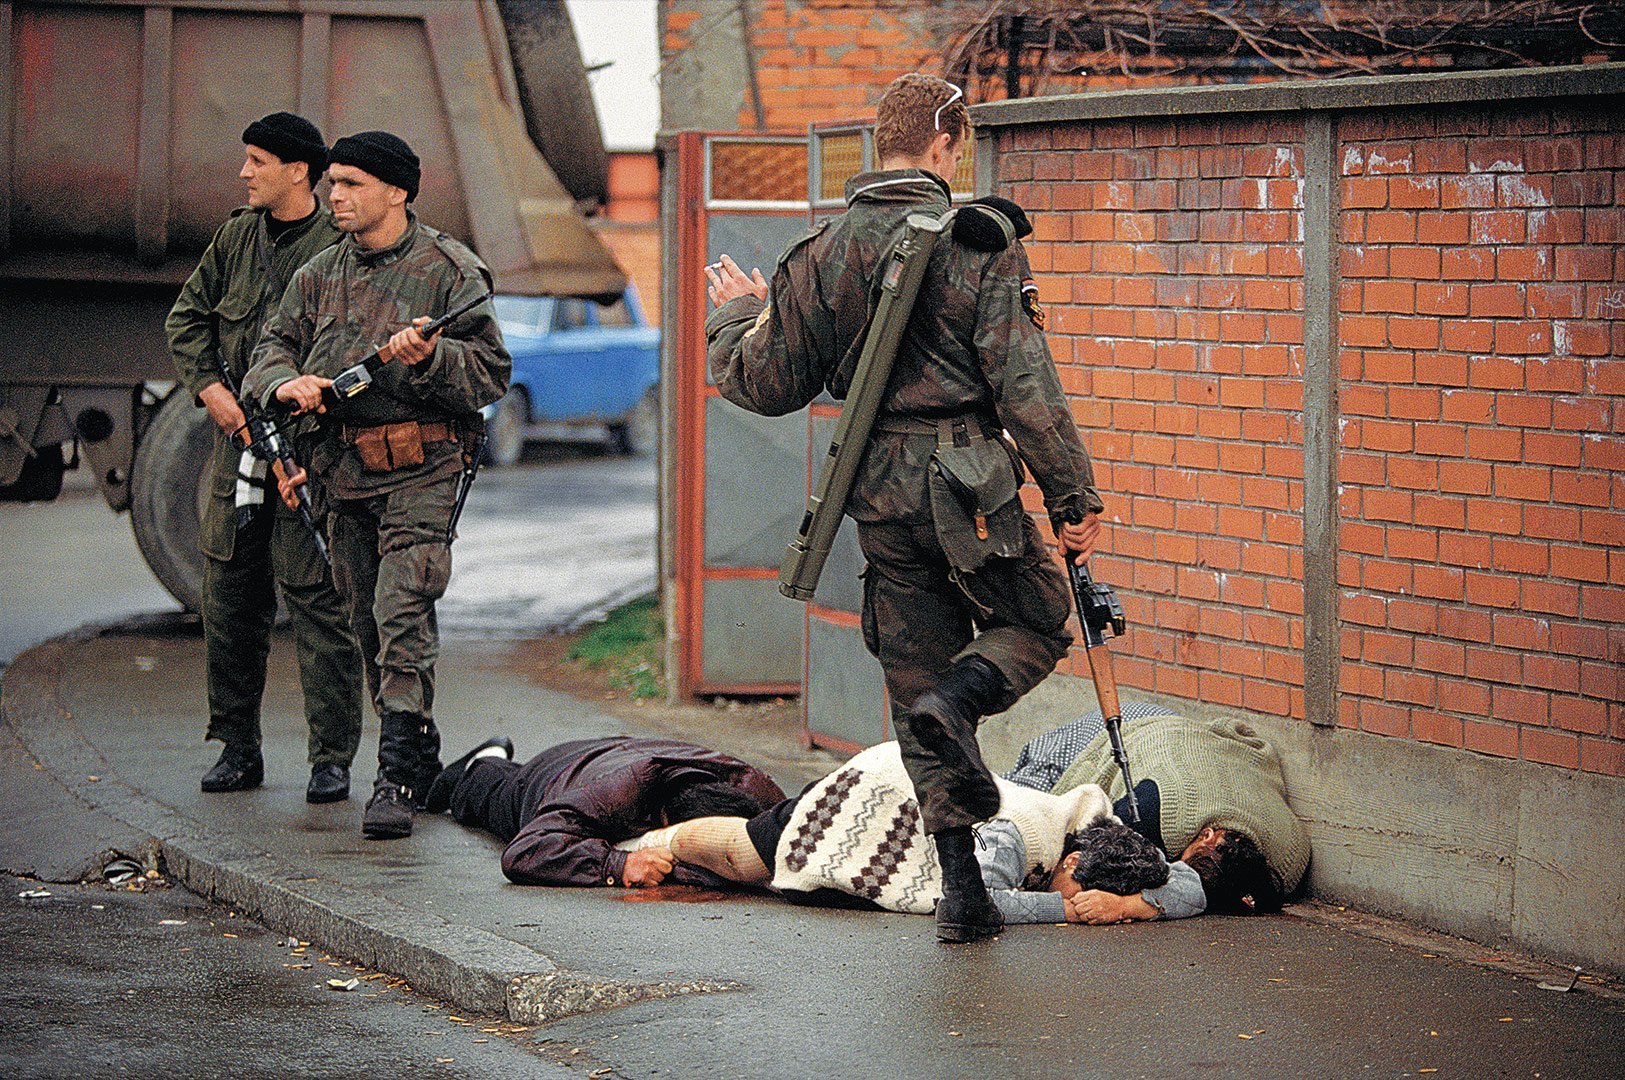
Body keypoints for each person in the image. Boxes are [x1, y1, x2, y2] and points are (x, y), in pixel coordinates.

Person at [704, 73, 1105, 943]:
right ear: (944, 143)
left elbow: (763, 385)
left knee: (914, 675)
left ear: (877, 143)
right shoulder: (977, 241)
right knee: (1037, 621)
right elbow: (1025, 385)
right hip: (970, 482)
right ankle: (960, 703)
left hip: (876, 486)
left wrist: (736, 315)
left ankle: (962, 894)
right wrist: (1072, 495)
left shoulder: (818, 253)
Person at [242, 131, 511, 840]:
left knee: (400, 609)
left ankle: (393, 777)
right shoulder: (318, 274)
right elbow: (269, 350)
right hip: (342, 471)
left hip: (425, 466)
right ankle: (420, 751)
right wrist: (285, 382)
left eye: (351, 183)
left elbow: (490, 374)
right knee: (363, 617)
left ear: (396, 191)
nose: (334, 195)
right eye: (332, 182)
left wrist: (429, 360)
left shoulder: (451, 272)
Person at [163, 112, 364, 804]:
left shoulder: (339, 247)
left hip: (308, 460)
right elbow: (187, 319)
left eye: (257, 160)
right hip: (240, 453)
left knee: (319, 605)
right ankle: (236, 747)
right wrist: (211, 390)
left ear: (297, 171)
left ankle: (331, 759)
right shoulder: (236, 238)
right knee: (229, 603)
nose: (244, 172)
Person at [637, 740, 1205, 928]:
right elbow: (975, 900)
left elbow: (1191, 884)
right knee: (743, 854)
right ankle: (643, 842)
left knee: (751, 859)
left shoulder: (1110, 838)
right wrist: (1068, 912)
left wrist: (1130, 904)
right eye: (1081, 892)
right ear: (1073, 866)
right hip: (876, 796)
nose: (1085, 903)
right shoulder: (1016, 838)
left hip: (925, 790)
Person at [1004, 704, 1305, 913]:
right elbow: (1088, 848)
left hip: (1191, 736)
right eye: (1181, 866)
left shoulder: (1289, 860)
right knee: (1026, 785)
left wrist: (1125, 906)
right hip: (1129, 727)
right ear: (1206, 834)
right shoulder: (1148, 817)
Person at [424, 735, 786, 888]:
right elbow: (524, 852)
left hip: (616, 753)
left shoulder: (753, 787)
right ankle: (482, 761)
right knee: (482, 791)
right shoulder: (614, 792)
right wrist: (618, 865)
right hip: (548, 779)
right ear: (664, 821)